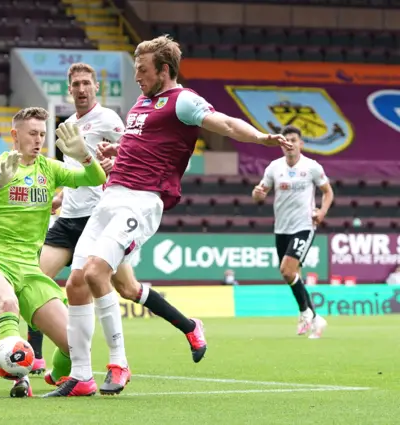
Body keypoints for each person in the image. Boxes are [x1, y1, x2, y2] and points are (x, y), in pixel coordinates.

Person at [44, 35, 292, 398]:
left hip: (142, 202)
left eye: (143, 71)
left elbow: (223, 124)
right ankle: (81, 375)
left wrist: (262, 137)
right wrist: (116, 150)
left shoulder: (184, 101)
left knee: (98, 273)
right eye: (135, 70)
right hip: (110, 195)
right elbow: (137, 144)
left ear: (164, 69)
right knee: (76, 283)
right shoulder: (141, 104)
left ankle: (118, 363)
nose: (137, 77)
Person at [32, 62, 212, 389]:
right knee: (33, 280)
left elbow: (133, 155)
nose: (82, 89)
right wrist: (59, 198)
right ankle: (39, 355)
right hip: (69, 219)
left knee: (128, 289)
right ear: (69, 89)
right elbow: (75, 173)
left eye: (87, 83)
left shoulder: (110, 120)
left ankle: (187, 326)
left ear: (95, 88)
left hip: (103, 217)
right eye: (77, 84)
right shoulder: (68, 124)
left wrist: (111, 161)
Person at [0, 106, 106, 398]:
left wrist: (84, 156)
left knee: (77, 345)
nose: (38, 140)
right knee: (6, 301)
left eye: (42, 134)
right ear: (15, 135)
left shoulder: (49, 169)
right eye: (32, 134)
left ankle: (57, 374)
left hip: (30, 269)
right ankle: (19, 377)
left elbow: (94, 178)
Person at [251, 125, 333, 339]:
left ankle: (305, 312)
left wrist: (322, 211)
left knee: (287, 271)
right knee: (293, 275)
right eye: (286, 140)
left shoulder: (312, 167)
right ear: (281, 144)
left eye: (294, 140)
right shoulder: (274, 168)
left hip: (304, 226)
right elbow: (260, 194)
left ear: (301, 144)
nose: (290, 144)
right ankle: (316, 319)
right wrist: (257, 193)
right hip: (281, 228)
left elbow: (327, 192)